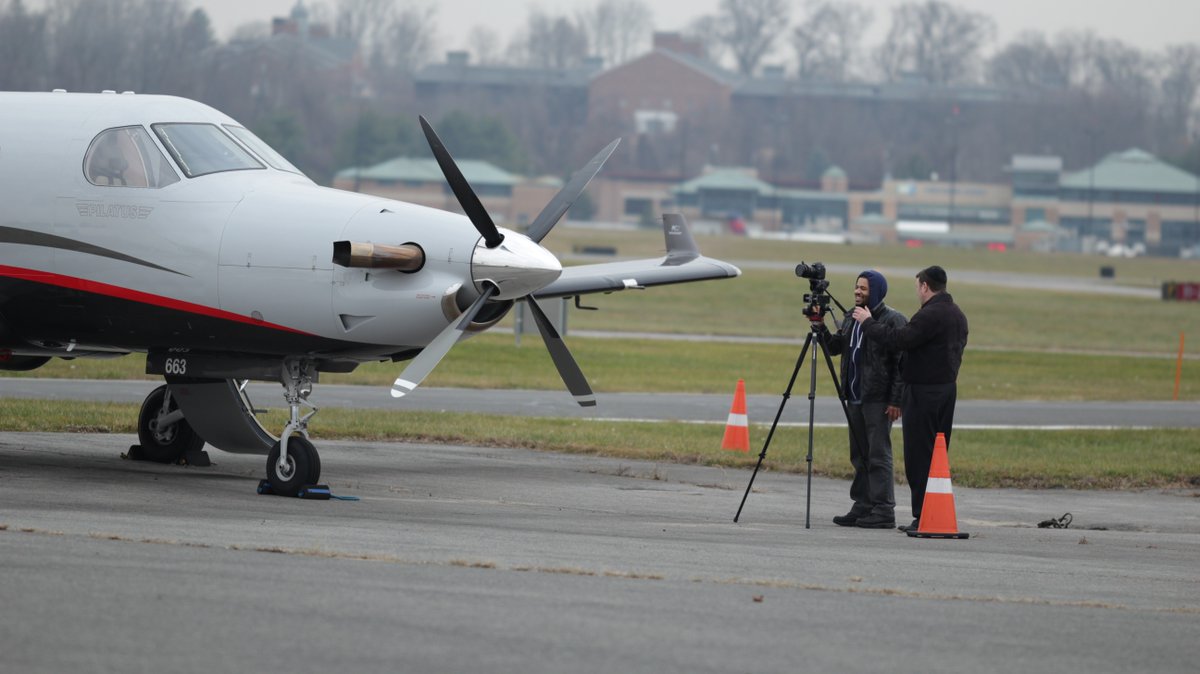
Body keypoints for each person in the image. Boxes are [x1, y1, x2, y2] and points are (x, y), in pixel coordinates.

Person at [852, 265, 968, 533]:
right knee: (937, 452)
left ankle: (921, 515)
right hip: (947, 389)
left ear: (925, 286)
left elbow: (899, 339)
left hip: (923, 391)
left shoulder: (930, 315)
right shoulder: (957, 314)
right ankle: (928, 512)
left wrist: (867, 323)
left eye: (918, 286)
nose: (917, 291)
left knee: (918, 455)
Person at [819, 270, 906, 529]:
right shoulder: (851, 317)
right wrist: (819, 326)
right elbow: (836, 348)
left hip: (878, 400)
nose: (858, 292)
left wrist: (896, 400)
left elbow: (902, 363)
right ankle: (863, 504)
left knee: (878, 454)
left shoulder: (893, 319)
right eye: (857, 287)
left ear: (876, 292)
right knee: (859, 454)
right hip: (854, 396)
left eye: (864, 289)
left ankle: (883, 509)